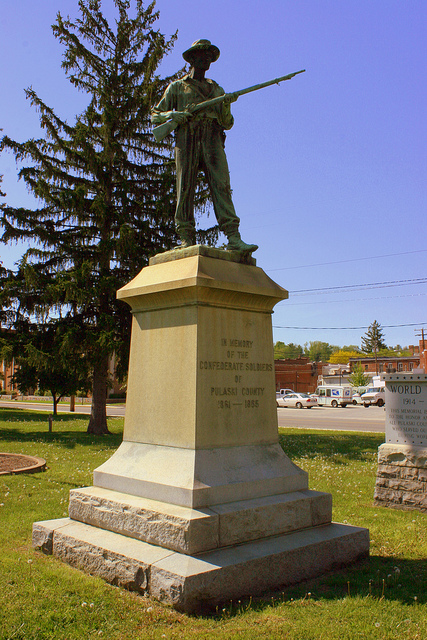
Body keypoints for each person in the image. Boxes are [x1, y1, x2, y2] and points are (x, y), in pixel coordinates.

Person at [151, 39, 258, 253]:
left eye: (210, 56)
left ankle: (233, 237)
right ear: (192, 58)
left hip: (212, 138)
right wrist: (173, 114)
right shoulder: (177, 87)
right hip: (187, 138)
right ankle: (185, 237)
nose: (207, 59)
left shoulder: (217, 90)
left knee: (222, 186)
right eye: (203, 55)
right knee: (185, 188)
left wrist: (226, 104)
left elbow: (227, 123)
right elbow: (155, 116)